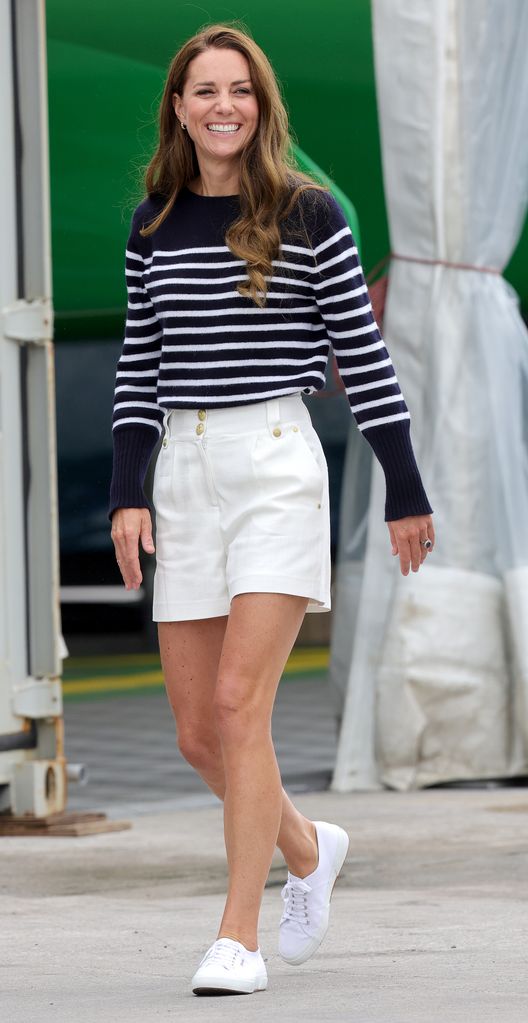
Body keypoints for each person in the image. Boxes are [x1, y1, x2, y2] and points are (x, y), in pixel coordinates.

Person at [109, 22, 434, 997]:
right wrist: (128, 493)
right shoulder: (153, 223)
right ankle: (308, 844)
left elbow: (365, 362)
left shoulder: (309, 214)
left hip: (277, 464)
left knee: (240, 709)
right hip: (184, 470)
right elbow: (139, 368)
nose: (223, 107)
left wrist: (403, 488)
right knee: (198, 736)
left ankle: (236, 936)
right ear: (178, 107)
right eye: (204, 91)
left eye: (240, 91)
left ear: (261, 106)